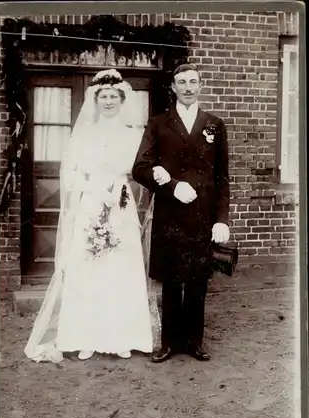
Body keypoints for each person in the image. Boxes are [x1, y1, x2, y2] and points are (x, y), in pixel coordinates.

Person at [24, 69, 155, 363]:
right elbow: (70, 176)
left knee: (120, 266)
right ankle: (86, 337)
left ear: (121, 100)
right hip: (91, 203)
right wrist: (95, 187)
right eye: (103, 97)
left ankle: (123, 337)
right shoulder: (82, 134)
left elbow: (139, 170)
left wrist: (117, 188)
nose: (108, 101)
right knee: (89, 268)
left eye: (113, 96)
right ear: (95, 101)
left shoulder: (133, 135)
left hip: (120, 204)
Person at [132, 63, 230, 363]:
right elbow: (139, 168)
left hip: (202, 216)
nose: (188, 87)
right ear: (173, 88)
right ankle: (170, 343)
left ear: (200, 86)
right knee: (173, 280)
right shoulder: (159, 123)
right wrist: (172, 185)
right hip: (171, 214)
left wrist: (222, 219)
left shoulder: (214, 124)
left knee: (199, 279)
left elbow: (222, 177)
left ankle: (194, 341)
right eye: (182, 82)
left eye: (193, 82)